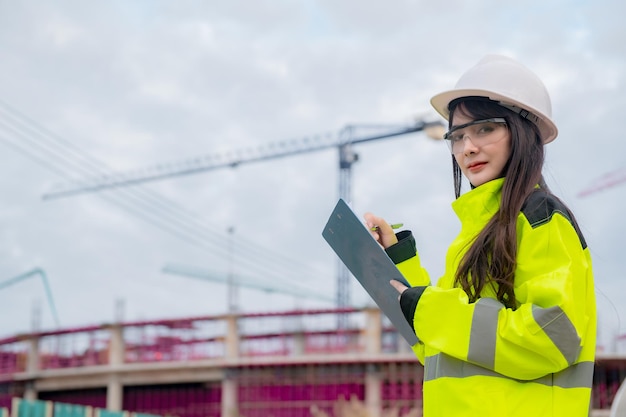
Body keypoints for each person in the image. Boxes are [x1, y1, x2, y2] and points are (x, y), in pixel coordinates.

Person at [365, 55, 596, 417]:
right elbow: (438, 346)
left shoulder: (540, 219)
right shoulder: (472, 237)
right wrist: (399, 262)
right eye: (457, 136)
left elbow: (552, 338)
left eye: (485, 129)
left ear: (524, 131)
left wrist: (429, 309)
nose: (467, 147)